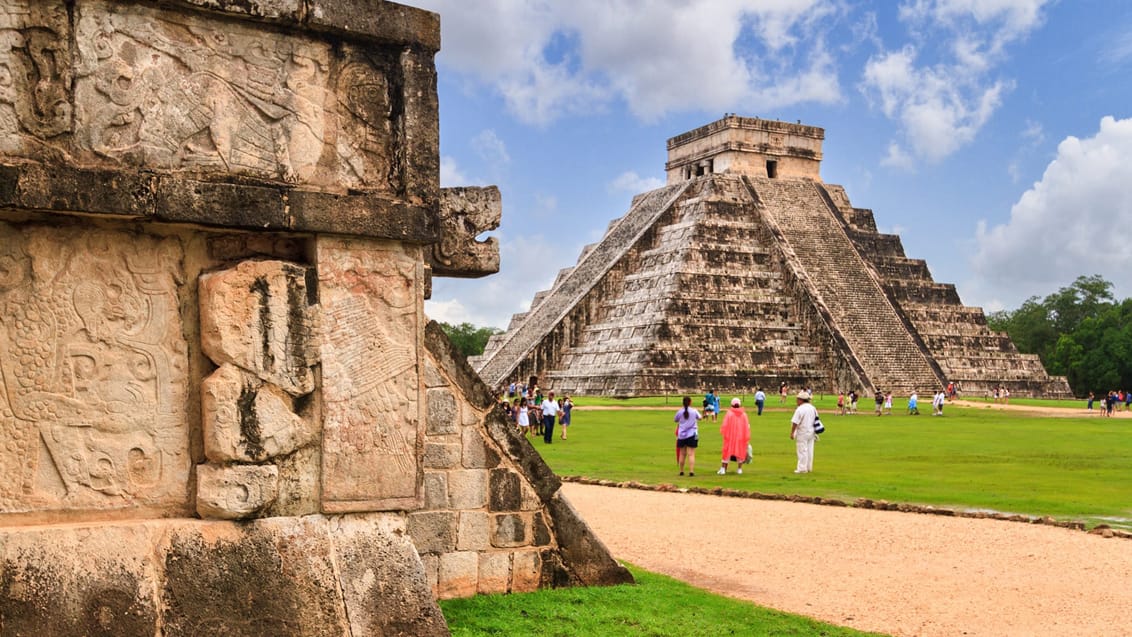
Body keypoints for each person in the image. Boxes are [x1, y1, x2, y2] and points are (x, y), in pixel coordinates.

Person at [717, 398, 751, 475]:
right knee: (740, 452)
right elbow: (747, 426)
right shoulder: (744, 414)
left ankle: (723, 469)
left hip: (730, 437)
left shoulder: (729, 414)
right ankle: (739, 469)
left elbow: (724, 425)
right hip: (740, 437)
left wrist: (724, 433)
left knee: (727, 451)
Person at [789, 390, 818, 474]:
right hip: (811, 431)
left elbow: (795, 422)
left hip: (802, 432)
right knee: (809, 450)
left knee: (802, 450)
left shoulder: (800, 409)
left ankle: (802, 468)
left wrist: (792, 432)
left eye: (797, 399)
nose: (796, 401)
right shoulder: (813, 408)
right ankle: (808, 467)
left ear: (801, 400)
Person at [674, 396, 701, 476]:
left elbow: (675, 420)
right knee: (691, 454)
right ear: (690, 402)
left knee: (682, 454)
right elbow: (700, 418)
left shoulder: (680, 412)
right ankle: (691, 471)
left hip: (682, 434)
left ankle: (681, 471)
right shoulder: (694, 411)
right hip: (692, 434)